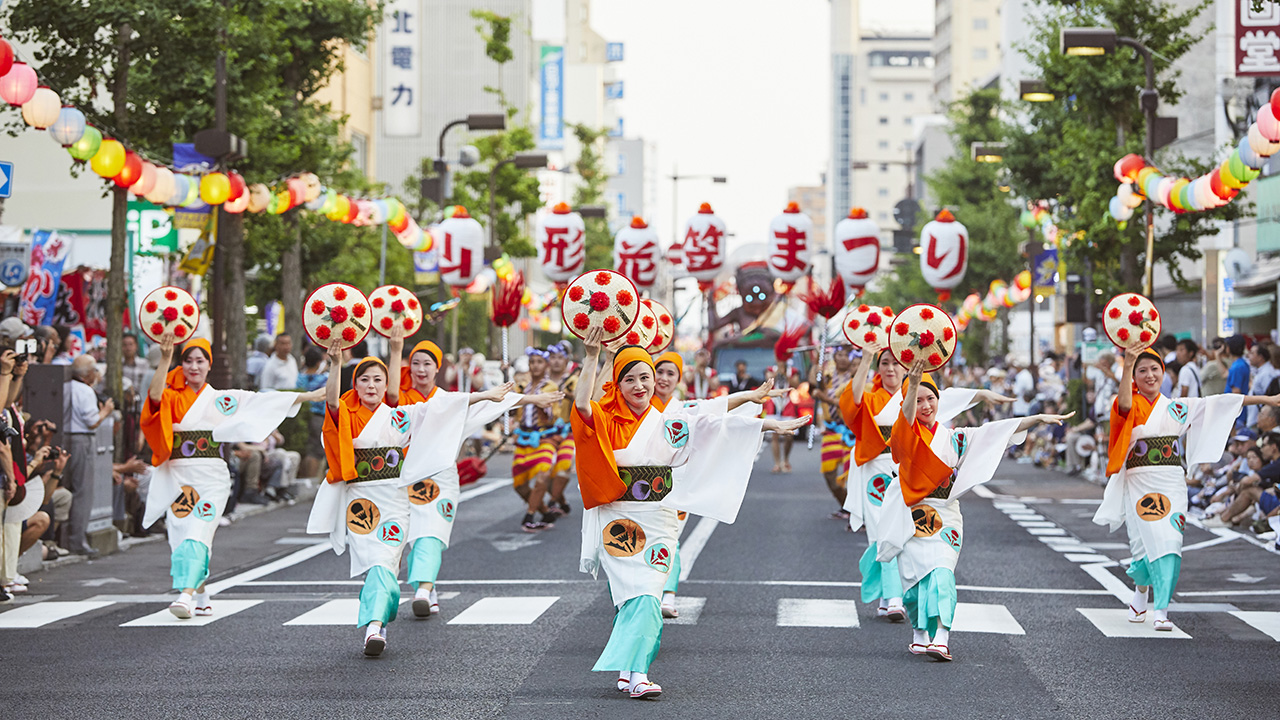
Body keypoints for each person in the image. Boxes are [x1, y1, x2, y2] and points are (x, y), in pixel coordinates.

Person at [572, 328, 808, 698]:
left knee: (647, 591)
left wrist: (764, 418)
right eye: (629, 379)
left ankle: (630, 669)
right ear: (617, 385)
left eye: (645, 377)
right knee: (640, 595)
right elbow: (583, 405)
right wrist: (592, 358)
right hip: (618, 518)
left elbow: (713, 417)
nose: (640, 385)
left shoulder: (671, 417)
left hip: (660, 518)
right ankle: (637, 674)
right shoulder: (604, 417)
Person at [307, 333, 553, 655]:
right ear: (354, 384)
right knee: (377, 564)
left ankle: (382, 620)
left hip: (395, 498)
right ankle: (376, 624)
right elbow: (332, 402)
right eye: (364, 380)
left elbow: (443, 407)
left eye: (378, 380)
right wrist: (336, 362)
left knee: (389, 560)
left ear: (386, 387)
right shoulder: (347, 414)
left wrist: (487, 396)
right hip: (361, 500)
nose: (371, 385)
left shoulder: (400, 415)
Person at [876, 359, 1069, 662]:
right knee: (913, 583)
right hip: (911, 514)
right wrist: (912, 385)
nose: (926, 405)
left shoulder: (955, 438)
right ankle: (919, 633)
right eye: (919, 399)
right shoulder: (904, 435)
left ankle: (941, 637)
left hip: (947, 514)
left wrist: (1037, 419)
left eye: (932, 398)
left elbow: (993, 432)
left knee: (942, 572)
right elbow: (906, 419)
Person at [1094, 346, 1280, 631]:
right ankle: (1141, 592)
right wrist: (1128, 361)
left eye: (1154, 369)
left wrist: (1266, 398)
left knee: (1169, 541)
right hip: (1139, 481)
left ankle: (1162, 609)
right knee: (1142, 543)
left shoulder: (1177, 407)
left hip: (1171, 480)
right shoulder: (1129, 402)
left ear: (1164, 372)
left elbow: (1222, 402)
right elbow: (1124, 406)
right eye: (1141, 370)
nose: (1149, 375)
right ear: (1133, 376)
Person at [141, 333, 321, 619]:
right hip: (177, 476)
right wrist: (165, 358)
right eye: (188, 361)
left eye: (200, 361)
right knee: (180, 536)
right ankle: (201, 593)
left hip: (212, 477)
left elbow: (260, 402)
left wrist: (307, 396)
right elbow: (152, 399)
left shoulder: (222, 400)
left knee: (198, 532)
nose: (194, 367)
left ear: (208, 365)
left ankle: (185, 596)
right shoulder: (171, 396)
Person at [391, 333, 562, 616]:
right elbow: (392, 396)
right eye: (416, 364)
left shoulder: (454, 401)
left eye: (427, 364)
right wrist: (396, 348)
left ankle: (424, 587)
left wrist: (534, 399)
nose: (421, 370)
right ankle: (424, 588)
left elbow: (494, 402)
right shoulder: (401, 402)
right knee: (401, 536)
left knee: (431, 534)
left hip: (440, 479)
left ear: (438, 369)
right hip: (401, 480)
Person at [839, 350, 1002, 623]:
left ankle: (894, 593)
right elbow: (851, 403)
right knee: (882, 529)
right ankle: (891, 596)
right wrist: (866, 357)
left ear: (908, 369)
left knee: (907, 532)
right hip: (876, 471)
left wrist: (984, 395)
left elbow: (948, 397)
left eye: (896, 364)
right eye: (885, 364)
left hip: (909, 471)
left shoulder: (917, 395)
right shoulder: (871, 397)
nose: (891, 369)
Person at [649, 350, 781, 620]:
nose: (663, 378)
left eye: (670, 373)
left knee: (670, 539)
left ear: (678, 380)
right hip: (640, 488)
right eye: (658, 372)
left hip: (674, 484)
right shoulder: (638, 408)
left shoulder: (684, 409)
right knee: (644, 540)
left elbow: (717, 410)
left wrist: (750, 397)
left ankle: (668, 595)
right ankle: (644, 593)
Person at [62, 355, 114, 556]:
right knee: (83, 491)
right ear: (88, 374)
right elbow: (92, 421)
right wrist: (106, 411)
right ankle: (77, 540)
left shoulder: (66, 386)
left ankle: (66, 538)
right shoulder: (85, 391)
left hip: (65, 437)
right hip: (82, 439)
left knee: (67, 488)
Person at [511, 348, 562, 532]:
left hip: (544, 438)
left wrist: (540, 402)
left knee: (542, 475)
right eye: (532, 362)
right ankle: (546, 512)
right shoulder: (522, 386)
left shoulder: (550, 387)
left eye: (539, 362)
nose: (535, 365)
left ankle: (529, 516)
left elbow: (550, 416)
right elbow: (515, 410)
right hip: (524, 439)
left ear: (546, 365)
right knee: (519, 486)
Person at [814, 346, 855, 516]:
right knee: (830, 476)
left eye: (847, 355)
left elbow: (845, 403)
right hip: (831, 432)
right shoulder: (827, 377)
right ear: (834, 357)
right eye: (840, 355)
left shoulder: (855, 377)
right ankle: (846, 506)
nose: (844, 358)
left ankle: (855, 511)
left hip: (850, 432)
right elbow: (812, 384)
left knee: (851, 476)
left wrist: (824, 398)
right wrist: (817, 360)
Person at [545, 343, 579, 515]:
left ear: (566, 360)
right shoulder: (541, 381)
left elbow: (583, 401)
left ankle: (552, 502)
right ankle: (561, 501)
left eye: (560, 358)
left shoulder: (573, 380)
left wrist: (569, 394)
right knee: (544, 471)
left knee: (564, 466)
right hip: (544, 432)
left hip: (568, 431)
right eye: (553, 357)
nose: (556, 362)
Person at [296, 346, 329, 480]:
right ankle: (312, 480)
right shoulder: (324, 378)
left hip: (302, 416)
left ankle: (305, 479)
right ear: (318, 362)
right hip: (319, 417)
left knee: (306, 449)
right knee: (316, 451)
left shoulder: (300, 378)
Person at [1247, 343, 1279, 427]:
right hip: (1256, 417)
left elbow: (1271, 396)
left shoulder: (1266, 373)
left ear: (1260, 357)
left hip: (1263, 419)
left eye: (1252, 353)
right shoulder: (1262, 371)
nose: (1248, 356)